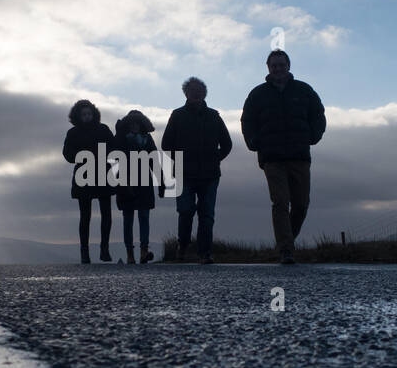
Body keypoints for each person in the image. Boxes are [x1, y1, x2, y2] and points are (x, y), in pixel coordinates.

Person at [240, 49, 326, 264]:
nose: (277, 68)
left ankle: (286, 241)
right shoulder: (258, 94)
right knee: (280, 202)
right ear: (268, 68)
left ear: (288, 66)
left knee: (301, 204)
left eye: (281, 64)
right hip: (272, 157)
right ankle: (286, 249)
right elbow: (247, 120)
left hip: (299, 155)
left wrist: (313, 137)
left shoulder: (304, 90)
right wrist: (253, 142)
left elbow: (318, 115)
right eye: (273, 65)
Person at [161, 77, 232, 264]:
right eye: (192, 90)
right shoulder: (177, 115)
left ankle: (205, 252)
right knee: (185, 211)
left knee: (207, 215)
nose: (196, 93)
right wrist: (180, 160)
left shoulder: (214, 116)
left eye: (199, 90)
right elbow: (166, 144)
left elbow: (227, 144)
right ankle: (182, 247)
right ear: (186, 93)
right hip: (184, 173)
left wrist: (215, 159)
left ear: (205, 93)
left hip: (210, 175)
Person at [62, 100, 114, 263]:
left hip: (103, 174)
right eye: (84, 114)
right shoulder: (73, 133)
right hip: (83, 176)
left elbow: (114, 149)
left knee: (106, 213)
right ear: (78, 116)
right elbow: (67, 153)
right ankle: (85, 252)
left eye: (89, 114)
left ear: (94, 114)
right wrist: (81, 155)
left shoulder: (103, 129)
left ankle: (104, 250)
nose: (87, 117)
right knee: (85, 216)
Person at [110, 110, 164, 264]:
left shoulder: (147, 139)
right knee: (128, 218)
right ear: (128, 125)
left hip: (144, 181)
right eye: (132, 123)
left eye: (138, 123)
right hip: (125, 181)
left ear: (142, 125)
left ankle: (144, 251)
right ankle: (130, 254)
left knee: (144, 216)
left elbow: (154, 159)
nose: (135, 126)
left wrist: (160, 181)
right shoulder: (120, 138)